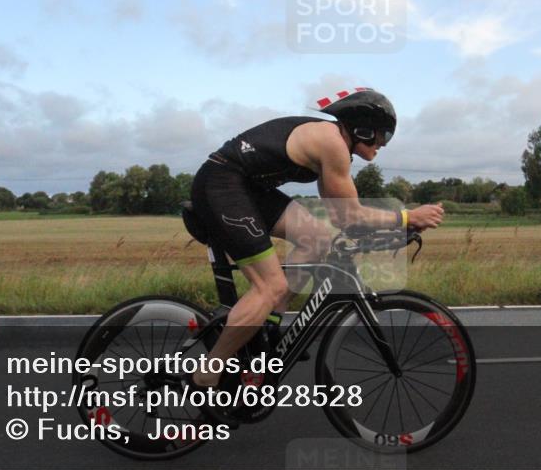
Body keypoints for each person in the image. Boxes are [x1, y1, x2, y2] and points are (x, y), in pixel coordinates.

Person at [186, 88, 444, 411]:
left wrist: (396, 227)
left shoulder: (334, 146)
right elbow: (351, 216)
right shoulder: (332, 143)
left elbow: (342, 220)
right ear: (363, 126)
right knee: (270, 286)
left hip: (247, 188)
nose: (384, 143)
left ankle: (266, 330)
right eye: (384, 134)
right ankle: (206, 376)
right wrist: (407, 216)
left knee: (318, 239)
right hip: (223, 184)